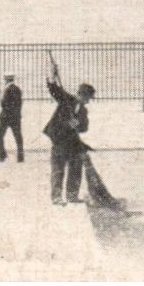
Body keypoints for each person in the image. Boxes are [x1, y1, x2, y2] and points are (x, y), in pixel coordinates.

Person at [44, 58, 95, 206]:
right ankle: (56, 197)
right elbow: (54, 89)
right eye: (88, 98)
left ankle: (72, 195)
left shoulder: (84, 111)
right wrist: (53, 74)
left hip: (73, 143)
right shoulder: (67, 100)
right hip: (59, 140)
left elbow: (84, 128)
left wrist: (77, 124)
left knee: (75, 168)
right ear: (82, 95)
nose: (88, 101)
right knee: (58, 169)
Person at [0, 72, 24, 163]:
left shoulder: (7, 89)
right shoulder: (18, 89)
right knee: (18, 136)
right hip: (15, 116)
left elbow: (3, 103)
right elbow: (19, 103)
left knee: (0, 135)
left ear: (6, 80)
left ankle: (2, 155)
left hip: (5, 117)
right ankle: (20, 157)